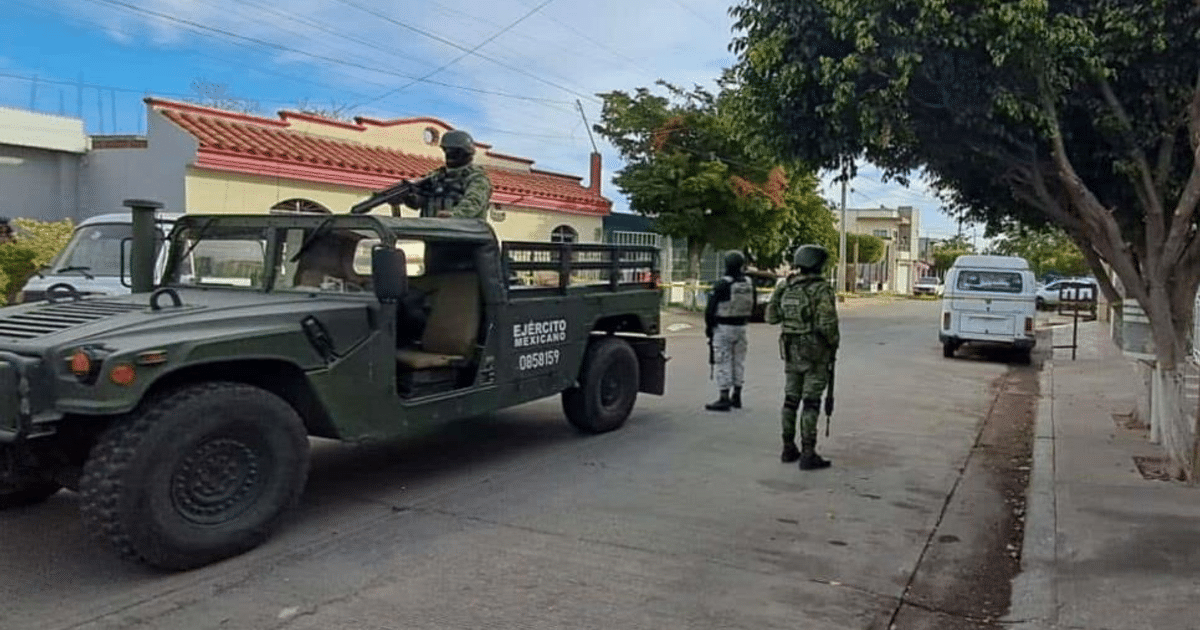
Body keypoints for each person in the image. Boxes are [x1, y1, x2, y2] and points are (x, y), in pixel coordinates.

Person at [767, 244, 839, 470]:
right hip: (815, 352)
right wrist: (833, 344)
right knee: (811, 401)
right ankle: (808, 452)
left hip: (791, 351)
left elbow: (771, 317)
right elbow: (827, 323)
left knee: (790, 399)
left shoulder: (788, 288)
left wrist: (779, 290)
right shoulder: (821, 289)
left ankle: (788, 447)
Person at [398, 130, 493, 219]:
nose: (450, 155)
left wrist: (454, 215)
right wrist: (407, 198)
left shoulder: (476, 178)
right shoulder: (435, 177)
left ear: (467, 153)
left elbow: (473, 203)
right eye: (447, 150)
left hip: (464, 232)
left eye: (455, 152)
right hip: (431, 230)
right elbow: (420, 202)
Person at [704, 251, 755, 411]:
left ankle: (724, 397)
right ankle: (737, 396)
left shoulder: (723, 284)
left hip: (723, 327)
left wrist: (709, 329)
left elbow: (710, 309)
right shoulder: (749, 282)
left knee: (723, 361)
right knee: (738, 362)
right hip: (742, 327)